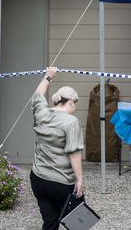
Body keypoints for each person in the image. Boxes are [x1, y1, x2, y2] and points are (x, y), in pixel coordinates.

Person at [29, 66, 84, 230]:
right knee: (78, 222)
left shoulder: (41, 114)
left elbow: (38, 95)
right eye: (75, 104)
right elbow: (74, 153)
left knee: (50, 222)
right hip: (61, 182)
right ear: (71, 102)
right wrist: (79, 179)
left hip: (38, 178)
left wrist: (48, 77)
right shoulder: (71, 122)